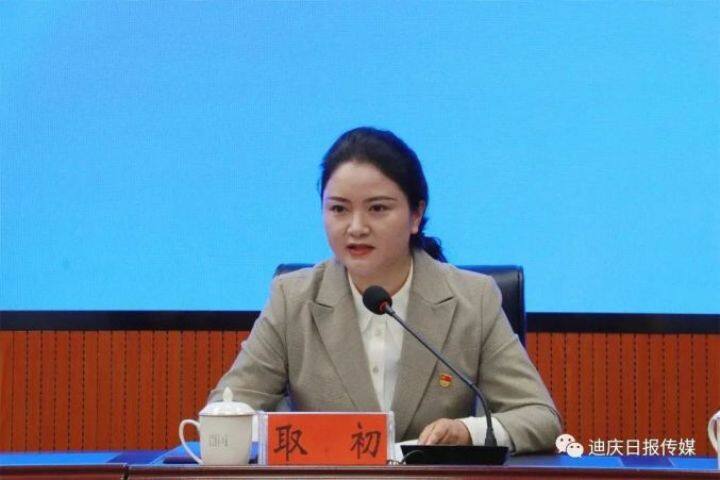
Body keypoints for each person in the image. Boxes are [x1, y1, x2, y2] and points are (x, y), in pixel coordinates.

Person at [208, 127, 562, 453]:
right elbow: (227, 408)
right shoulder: (293, 299)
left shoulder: (472, 298)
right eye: (339, 209)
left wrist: (467, 432)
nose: (356, 227)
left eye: (377, 208)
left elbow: (539, 417)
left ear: (415, 215)